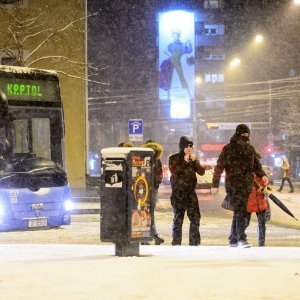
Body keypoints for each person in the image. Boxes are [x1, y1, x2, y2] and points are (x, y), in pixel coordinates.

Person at [211, 124, 268, 248]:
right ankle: (241, 238)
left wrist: (262, 175)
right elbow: (219, 167)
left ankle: (233, 239)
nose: (245, 137)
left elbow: (256, 166)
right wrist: (215, 184)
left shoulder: (249, 149)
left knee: (239, 211)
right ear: (237, 134)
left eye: (247, 134)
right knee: (241, 210)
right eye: (243, 134)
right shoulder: (229, 149)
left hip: (246, 185)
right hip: (234, 185)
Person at [168, 136, 205, 246]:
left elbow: (201, 172)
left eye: (191, 146)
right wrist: (184, 161)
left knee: (195, 218)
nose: (189, 148)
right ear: (182, 147)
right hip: (178, 193)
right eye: (187, 146)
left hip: (190, 193)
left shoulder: (192, 159)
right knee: (178, 219)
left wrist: (195, 162)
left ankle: (194, 243)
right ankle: (176, 243)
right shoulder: (174, 158)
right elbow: (174, 170)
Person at [141, 139, 164, 245]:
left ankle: (148, 236)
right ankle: (149, 236)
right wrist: (155, 185)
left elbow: (159, 173)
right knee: (147, 213)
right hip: (147, 189)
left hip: (146, 189)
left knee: (146, 213)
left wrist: (154, 185)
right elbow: (160, 174)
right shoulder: (155, 159)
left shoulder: (148, 158)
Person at [246, 152, 270, 247]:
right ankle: (238, 239)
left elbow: (266, 188)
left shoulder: (261, 173)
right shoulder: (247, 173)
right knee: (245, 223)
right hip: (249, 202)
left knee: (262, 224)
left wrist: (265, 187)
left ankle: (261, 243)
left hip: (260, 202)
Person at [160, 30, 192, 97]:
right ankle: (168, 94)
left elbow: (189, 50)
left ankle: (189, 93)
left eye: (175, 36)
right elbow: (164, 50)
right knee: (168, 77)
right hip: (171, 62)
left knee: (181, 77)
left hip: (177, 62)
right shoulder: (171, 45)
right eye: (173, 36)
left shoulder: (182, 45)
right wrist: (170, 55)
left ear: (178, 36)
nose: (174, 37)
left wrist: (189, 43)